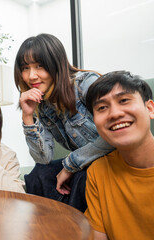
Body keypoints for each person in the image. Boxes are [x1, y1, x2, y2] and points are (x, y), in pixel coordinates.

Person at [14, 33, 113, 211]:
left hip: (113, 156)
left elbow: (112, 135)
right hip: (85, 162)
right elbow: (43, 158)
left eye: (40, 66)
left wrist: (70, 166)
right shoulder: (42, 104)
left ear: (56, 64)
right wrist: (28, 117)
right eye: (25, 68)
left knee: (84, 178)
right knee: (39, 174)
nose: (31, 76)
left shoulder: (86, 85)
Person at [84, 71, 154, 240]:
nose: (115, 114)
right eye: (102, 108)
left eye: (124, 101)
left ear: (150, 108)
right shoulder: (98, 172)